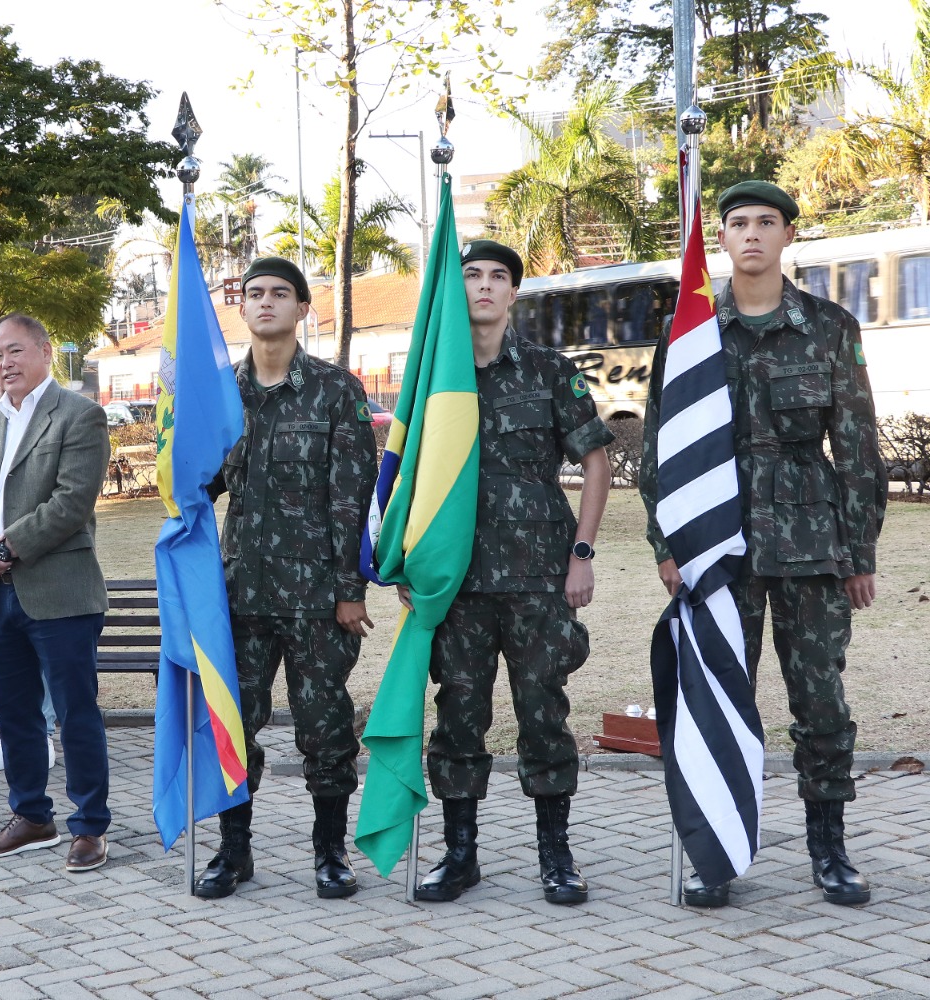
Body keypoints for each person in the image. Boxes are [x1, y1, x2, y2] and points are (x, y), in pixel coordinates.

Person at [641, 181, 887, 908]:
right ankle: (716, 854)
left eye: (766, 223)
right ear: (720, 239)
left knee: (820, 701)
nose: (751, 233)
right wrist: (667, 543)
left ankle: (829, 849)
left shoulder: (830, 328)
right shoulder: (690, 334)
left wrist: (861, 553)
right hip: (717, 547)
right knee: (718, 695)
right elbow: (661, 449)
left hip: (812, 545)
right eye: (738, 223)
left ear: (786, 238)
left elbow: (858, 448)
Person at [409, 241, 613, 906]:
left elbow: (597, 462)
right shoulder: (434, 378)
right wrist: (407, 561)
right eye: (472, 276)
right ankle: (459, 855)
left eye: (499, 277)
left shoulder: (550, 370)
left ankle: (556, 855)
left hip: (537, 581)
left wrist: (581, 554)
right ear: (456, 289)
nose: (485, 287)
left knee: (544, 718)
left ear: (514, 294)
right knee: (458, 720)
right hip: (457, 584)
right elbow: (406, 473)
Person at [197, 257, 376, 901]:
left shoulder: (336, 391)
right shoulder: (219, 394)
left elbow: (352, 500)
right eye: (254, 294)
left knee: (325, 727)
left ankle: (330, 854)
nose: (265, 302)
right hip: (239, 596)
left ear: (303, 308)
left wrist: (350, 592)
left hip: (316, 601)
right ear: (241, 310)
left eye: (280, 294)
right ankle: (232, 850)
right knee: (233, 724)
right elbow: (198, 485)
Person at [0, 313, 113, 873]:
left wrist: (8, 548)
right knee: (14, 713)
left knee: (75, 712)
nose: (3, 364)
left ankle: (89, 825)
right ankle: (31, 816)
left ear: (45, 351)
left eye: (14, 352)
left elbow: (71, 503)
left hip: (58, 590)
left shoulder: (79, 414)